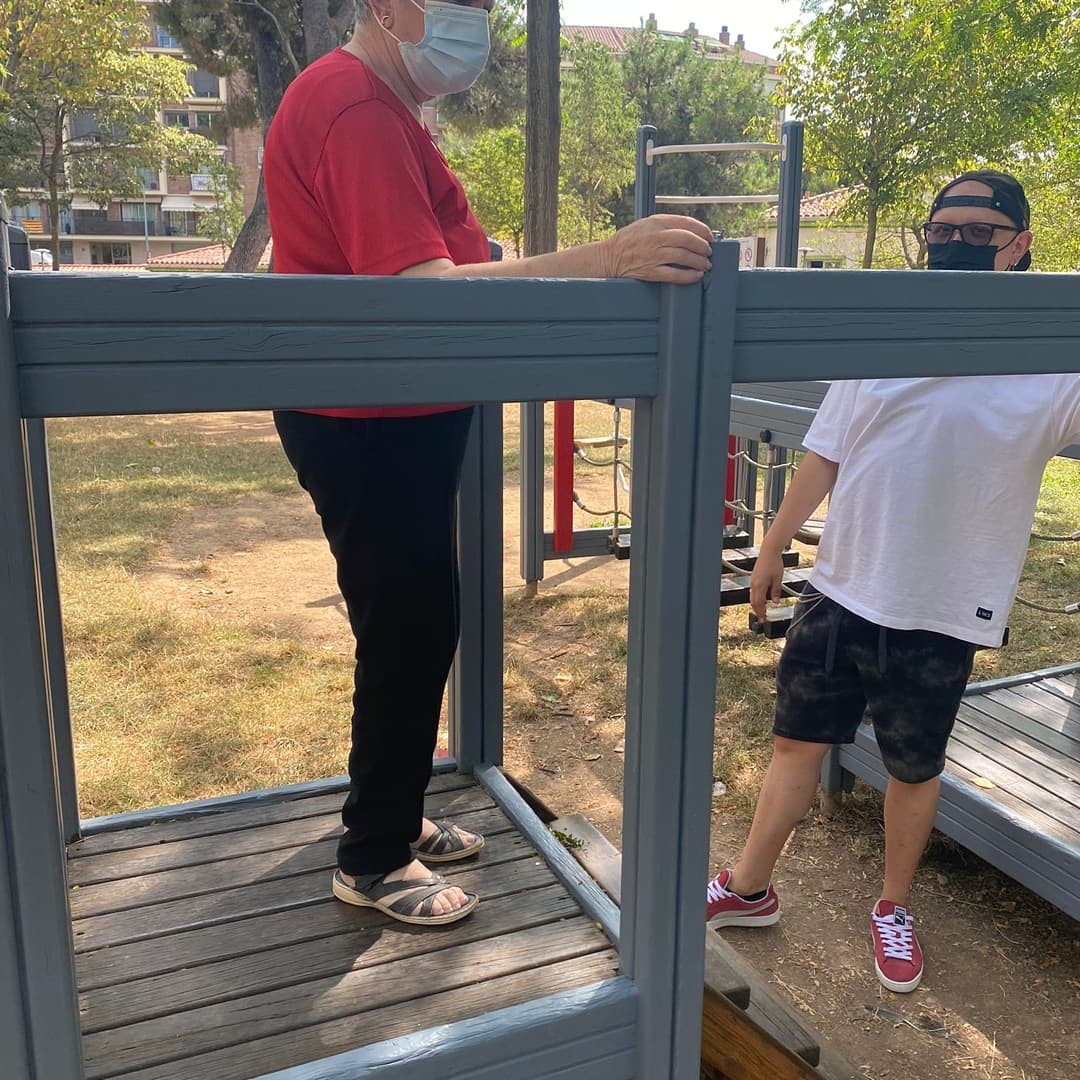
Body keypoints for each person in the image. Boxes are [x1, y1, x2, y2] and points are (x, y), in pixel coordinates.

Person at [263, 0, 715, 928]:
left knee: (414, 626)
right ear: (386, 8)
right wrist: (608, 257)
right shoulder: (355, 105)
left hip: (391, 413)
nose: (478, 21)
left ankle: (390, 814)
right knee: (409, 629)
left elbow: (440, 265)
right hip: (365, 418)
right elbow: (421, 293)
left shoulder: (384, 107)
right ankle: (372, 856)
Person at [705, 170, 1080, 992]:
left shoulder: (1053, 366)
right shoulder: (885, 338)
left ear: (1019, 247)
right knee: (795, 743)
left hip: (940, 611)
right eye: (941, 231)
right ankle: (748, 886)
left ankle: (893, 906)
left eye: (977, 234)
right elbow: (826, 451)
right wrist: (772, 547)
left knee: (913, 769)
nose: (954, 245)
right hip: (841, 587)